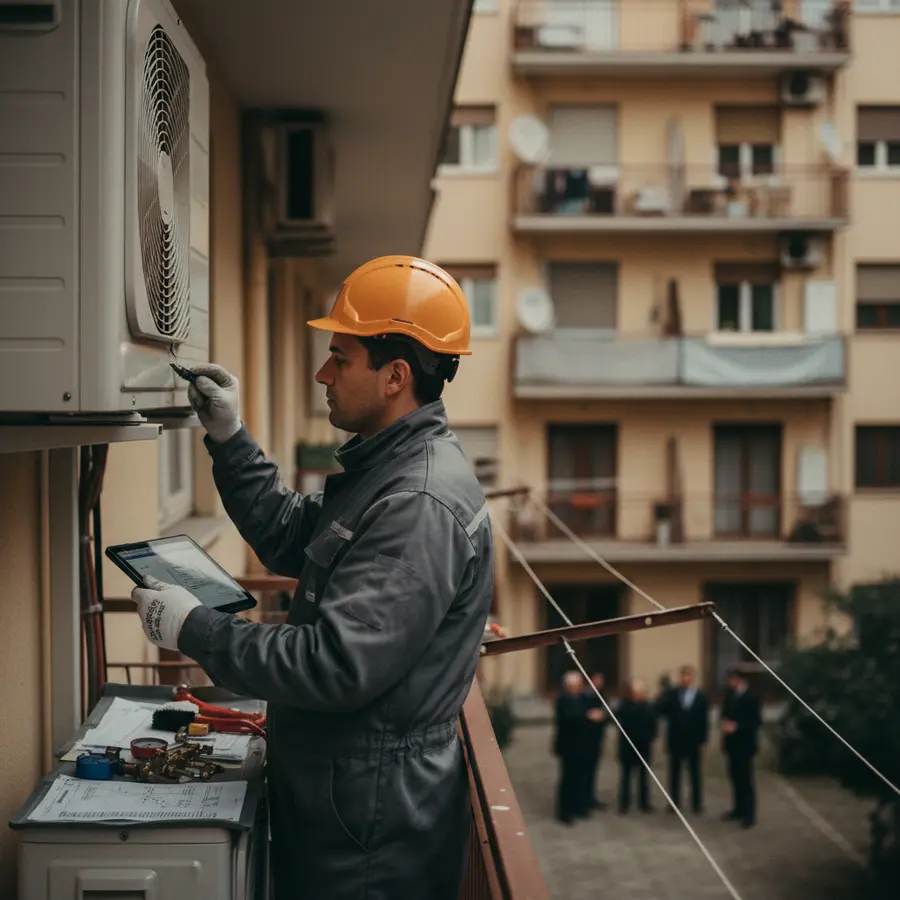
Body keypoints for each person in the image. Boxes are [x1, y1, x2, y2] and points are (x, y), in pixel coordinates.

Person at [129, 256, 495, 900]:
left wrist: (197, 629)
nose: (323, 374)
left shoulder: (418, 504)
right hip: (347, 803)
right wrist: (229, 435)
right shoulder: (391, 467)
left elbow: (334, 663)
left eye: (341, 358)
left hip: (369, 832)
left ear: (395, 376)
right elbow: (294, 534)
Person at [657, 665, 709, 814]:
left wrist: (703, 740)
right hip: (676, 739)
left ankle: (697, 803)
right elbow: (661, 710)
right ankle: (674, 802)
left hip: (693, 740)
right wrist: (663, 693)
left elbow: (704, 720)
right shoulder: (673, 694)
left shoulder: (700, 696)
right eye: (683, 676)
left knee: (695, 773)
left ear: (692, 678)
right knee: (674, 773)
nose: (685, 679)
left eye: (688, 676)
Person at [721, 667, 762, 829]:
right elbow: (724, 713)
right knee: (735, 777)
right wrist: (725, 723)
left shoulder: (751, 697)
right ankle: (738, 809)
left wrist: (737, 727)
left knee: (746, 779)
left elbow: (756, 722)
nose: (729, 683)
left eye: (732, 679)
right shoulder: (730, 695)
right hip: (731, 744)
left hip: (745, 745)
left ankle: (749, 814)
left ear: (739, 680)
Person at [553, 671, 591, 825]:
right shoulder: (562, 700)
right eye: (575, 685)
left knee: (580, 777)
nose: (578, 688)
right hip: (568, 746)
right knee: (567, 779)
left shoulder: (582, 698)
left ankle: (578, 806)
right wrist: (587, 716)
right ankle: (565, 811)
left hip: (582, 744)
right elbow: (569, 718)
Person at [616, 678, 657, 814]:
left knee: (643, 776)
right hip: (627, 745)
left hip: (643, 745)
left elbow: (653, 725)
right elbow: (617, 718)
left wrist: (651, 738)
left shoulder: (648, 706)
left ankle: (644, 803)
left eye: (640, 692)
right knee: (626, 775)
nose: (638, 694)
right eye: (635, 691)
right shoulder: (624, 705)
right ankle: (624, 803)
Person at [581, 671, 608, 811]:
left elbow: (607, 713)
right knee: (583, 771)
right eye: (596, 679)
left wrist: (603, 715)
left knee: (593, 770)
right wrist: (589, 716)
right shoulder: (583, 696)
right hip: (584, 740)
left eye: (601, 680)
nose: (599, 683)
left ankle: (591, 798)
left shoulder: (601, 696)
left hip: (597, 739)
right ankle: (582, 799)